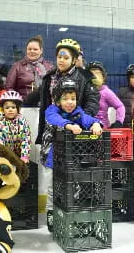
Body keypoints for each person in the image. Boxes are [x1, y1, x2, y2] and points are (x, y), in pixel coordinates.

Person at [41, 79, 102, 232]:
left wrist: (96, 124)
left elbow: (89, 119)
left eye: (73, 99)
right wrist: (68, 125)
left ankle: (70, 213)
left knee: (73, 185)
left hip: (70, 159)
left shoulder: (78, 112)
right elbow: (54, 119)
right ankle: (51, 212)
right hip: (51, 158)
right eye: (65, 99)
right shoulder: (51, 110)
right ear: (57, 100)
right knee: (51, 187)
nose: (70, 102)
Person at [36, 38, 100, 144]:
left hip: (75, 129)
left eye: (66, 58)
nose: (61, 60)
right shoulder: (49, 77)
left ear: (74, 60)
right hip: (53, 126)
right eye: (59, 57)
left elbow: (92, 101)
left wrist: (80, 119)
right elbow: (45, 106)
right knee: (50, 157)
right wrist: (41, 132)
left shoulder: (85, 77)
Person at [5, 35, 54, 100]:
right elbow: (9, 88)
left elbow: (54, 87)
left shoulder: (49, 67)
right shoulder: (17, 66)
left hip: (44, 105)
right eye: (29, 49)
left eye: (35, 49)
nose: (32, 51)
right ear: (26, 50)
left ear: (41, 50)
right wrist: (17, 101)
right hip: (22, 105)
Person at [0, 90, 32, 163]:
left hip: (19, 155)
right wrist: (3, 157)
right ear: (2, 110)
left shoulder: (22, 121)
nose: (10, 110)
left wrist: (24, 156)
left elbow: (26, 139)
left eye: (13, 107)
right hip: (5, 154)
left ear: (18, 109)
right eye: (7, 108)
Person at [87, 61, 125, 128]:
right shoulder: (84, 91)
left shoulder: (106, 92)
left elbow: (120, 106)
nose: (94, 76)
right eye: (91, 73)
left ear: (103, 77)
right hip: (85, 128)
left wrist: (119, 121)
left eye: (98, 73)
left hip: (102, 130)